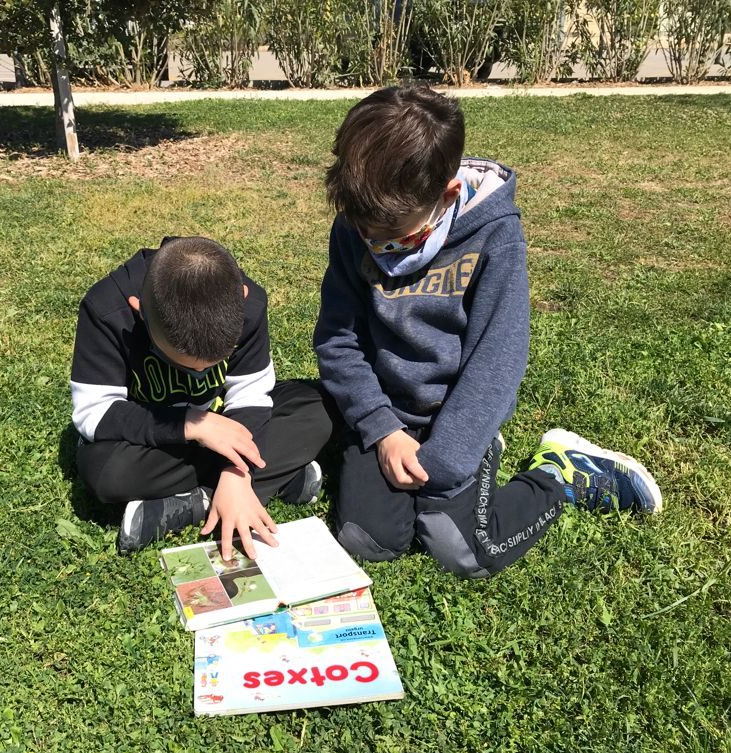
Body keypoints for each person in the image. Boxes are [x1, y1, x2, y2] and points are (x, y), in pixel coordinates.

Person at [314, 85, 661, 578]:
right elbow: (338, 340)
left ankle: (559, 474)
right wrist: (382, 429)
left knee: (461, 550)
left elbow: (497, 359)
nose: (375, 245)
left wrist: (447, 461)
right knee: (368, 539)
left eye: (395, 237)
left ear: (448, 195)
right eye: (364, 230)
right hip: (389, 414)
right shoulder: (356, 226)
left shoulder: (494, 235)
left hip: (457, 414)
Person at [71, 236, 332, 558]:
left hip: (227, 426)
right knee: (106, 472)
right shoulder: (106, 308)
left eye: (211, 364)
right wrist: (192, 424)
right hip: (155, 437)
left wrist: (236, 474)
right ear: (140, 312)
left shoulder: (248, 303)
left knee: (319, 410)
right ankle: (277, 477)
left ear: (242, 299)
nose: (198, 375)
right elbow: (94, 411)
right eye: (181, 363)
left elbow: (250, 394)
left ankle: (202, 501)